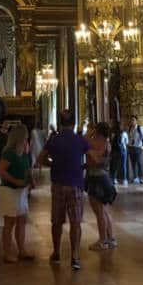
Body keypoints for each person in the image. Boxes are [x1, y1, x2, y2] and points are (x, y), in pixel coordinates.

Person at [38, 109, 92, 270]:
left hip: (58, 185)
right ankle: (75, 256)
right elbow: (93, 159)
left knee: (56, 221)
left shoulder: (54, 140)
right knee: (75, 222)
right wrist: (83, 166)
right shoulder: (79, 140)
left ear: (61, 123)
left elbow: (40, 158)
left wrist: (52, 164)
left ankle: (56, 253)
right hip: (75, 184)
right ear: (74, 123)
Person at [0, 124, 36, 263]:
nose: (28, 137)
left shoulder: (25, 153)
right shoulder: (9, 153)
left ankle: (22, 250)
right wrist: (15, 181)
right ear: (20, 136)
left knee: (22, 220)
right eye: (26, 134)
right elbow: (1, 171)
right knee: (9, 222)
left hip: (22, 192)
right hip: (9, 191)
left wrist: (31, 181)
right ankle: (7, 253)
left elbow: (27, 169)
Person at [86, 122, 117, 250]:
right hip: (104, 177)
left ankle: (102, 240)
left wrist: (91, 132)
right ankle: (110, 238)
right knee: (104, 211)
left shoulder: (96, 143)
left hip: (96, 178)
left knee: (99, 212)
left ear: (98, 132)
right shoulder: (107, 143)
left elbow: (84, 139)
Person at [127, 115, 143, 184]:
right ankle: (135, 177)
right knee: (133, 163)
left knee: (139, 163)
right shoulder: (130, 128)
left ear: (136, 121)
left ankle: (141, 178)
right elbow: (129, 138)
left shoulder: (140, 128)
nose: (132, 121)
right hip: (131, 147)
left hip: (137, 147)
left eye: (133, 120)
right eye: (131, 120)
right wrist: (127, 145)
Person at [110, 122, 128, 186]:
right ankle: (124, 179)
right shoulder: (124, 133)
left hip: (115, 151)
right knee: (123, 165)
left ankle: (114, 179)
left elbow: (111, 141)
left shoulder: (113, 133)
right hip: (123, 150)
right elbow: (126, 142)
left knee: (116, 165)